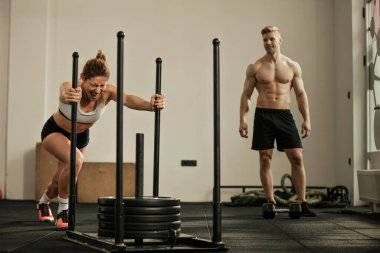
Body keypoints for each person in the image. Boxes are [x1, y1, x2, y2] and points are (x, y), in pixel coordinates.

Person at [37, 50, 165, 229]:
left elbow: (128, 99)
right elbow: (63, 91)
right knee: (76, 160)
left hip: (80, 137)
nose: (98, 90)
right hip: (55, 131)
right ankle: (64, 210)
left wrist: (150, 105)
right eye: (93, 85)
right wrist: (66, 96)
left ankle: (43, 203)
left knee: (60, 180)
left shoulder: (107, 92)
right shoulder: (71, 87)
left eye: (102, 85)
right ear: (82, 78)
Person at [239, 26, 316, 217]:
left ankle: (303, 202)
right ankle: (270, 201)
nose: (268, 43)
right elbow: (246, 95)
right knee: (265, 158)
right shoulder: (255, 67)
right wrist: (243, 119)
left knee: (297, 157)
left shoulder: (292, 66)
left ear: (280, 40)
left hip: (283, 114)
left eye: (271, 39)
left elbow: (300, 94)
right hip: (263, 114)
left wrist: (307, 119)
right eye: (265, 40)